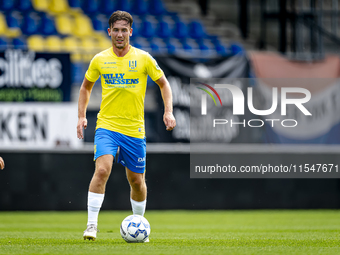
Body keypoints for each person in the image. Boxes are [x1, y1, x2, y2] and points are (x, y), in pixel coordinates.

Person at [77, 10, 176, 241]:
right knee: (102, 170)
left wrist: (168, 111)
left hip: (134, 130)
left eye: (124, 30)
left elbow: (164, 84)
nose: (120, 34)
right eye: (116, 30)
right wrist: (81, 116)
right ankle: (91, 226)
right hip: (107, 126)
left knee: (137, 181)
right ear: (109, 32)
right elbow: (85, 87)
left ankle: (140, 224)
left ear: (130, 32)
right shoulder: (100, 59)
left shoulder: (143, 59)